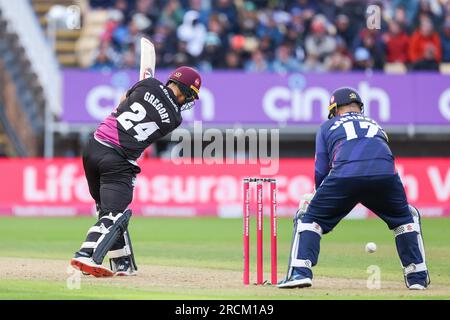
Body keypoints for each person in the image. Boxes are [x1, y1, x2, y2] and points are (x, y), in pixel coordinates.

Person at [277, 88, 430, 290]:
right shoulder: (376, 124)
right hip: (384, 176)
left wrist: (317, 193)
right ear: (360, 107)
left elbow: (321, 168)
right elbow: (384, 154)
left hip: (345, 176)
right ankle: (417, 277)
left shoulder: (327, 126)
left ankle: (299, 272)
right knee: (406, 218)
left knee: (309, 217)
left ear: (334, 109)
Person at [70, 66, 202, 277]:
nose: (188, 101)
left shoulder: (148, 84)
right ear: (183, 90)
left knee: (106, 209)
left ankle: (121, 262)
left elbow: (123, 103)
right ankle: (85, 253)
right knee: (114, 214)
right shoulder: (174, 119)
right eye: (190, 95)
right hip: (117, 161)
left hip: (93, 148)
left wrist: (143, 88)